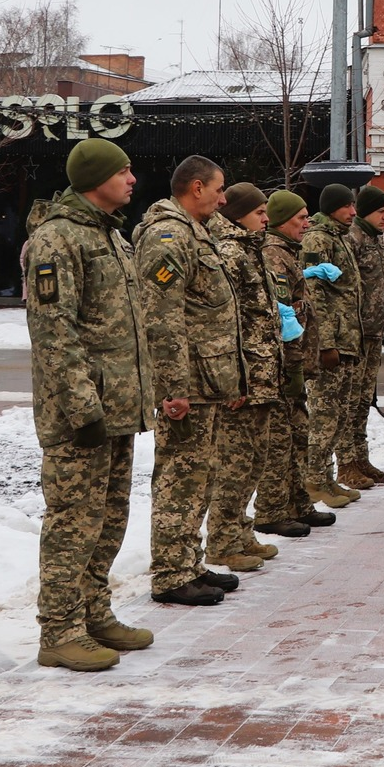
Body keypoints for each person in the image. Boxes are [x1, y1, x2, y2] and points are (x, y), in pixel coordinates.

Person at [26, 138, 154, 671]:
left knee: (107, 519)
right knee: (73, 521)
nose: (131, 179)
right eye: (122, 171)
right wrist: (83, 411)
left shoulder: (112, 237)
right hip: (83, 415)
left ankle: (94, 613)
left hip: (118, 409)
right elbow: (55, 333)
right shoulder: (56, 240)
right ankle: (58, 630)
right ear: (93, 178)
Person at [134, 154, 243, 609]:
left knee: (201, 475)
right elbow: (162, 318)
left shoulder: (197, 232)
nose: (224, 198)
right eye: (219, 189)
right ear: (196, 188)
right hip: (189, 384)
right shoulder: (168, 236)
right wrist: (174, 387)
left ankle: (189, 564)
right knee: (181, 479)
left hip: (208, 378)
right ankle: (171, 574)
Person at [204, 183, 284, 574]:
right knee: (234, 463)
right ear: (238, 213)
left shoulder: (250, 250)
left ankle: (239, 530)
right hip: (244, 379)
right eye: (260, 211)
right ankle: (221, 540)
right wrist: (234, 378)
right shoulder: (230, 253)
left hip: (262, 375)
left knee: (253, 459)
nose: (267, 218)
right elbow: (225, 322)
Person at [260, 190, 339, 527]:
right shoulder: (275, 255)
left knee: (297, 437)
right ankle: (272, 510)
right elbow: (286, 317)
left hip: (296, 364)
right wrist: (292, 365)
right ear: (282, 220)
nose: (307, 224)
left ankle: (298, 504)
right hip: (282, 365)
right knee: (281, 442)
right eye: (300, 218)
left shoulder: (289, 253)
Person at [301, 184, 367, 496]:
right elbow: (315, 295)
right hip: (334, 343)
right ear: (331, 208)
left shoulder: (340, 237)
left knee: (340, 414)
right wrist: (325, 343)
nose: (353, 212)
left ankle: (325, 478)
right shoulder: (318, 238)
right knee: (325, 414)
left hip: (349, 339)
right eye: (347, 206)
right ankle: (313, 479)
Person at [339, 187, 384, 483]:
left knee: (363, 401)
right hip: (357, 333)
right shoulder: (353, 238)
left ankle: (361, 459)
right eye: (380, 212)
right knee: (350, 402)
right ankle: (346, 465)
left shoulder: (374, 239)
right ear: (364, 211)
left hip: (374, 333)